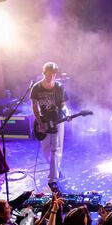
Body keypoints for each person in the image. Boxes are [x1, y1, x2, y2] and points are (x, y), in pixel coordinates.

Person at [30, 62, 70, 192]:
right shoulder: (36, 87)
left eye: (53, 75)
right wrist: (39, 122)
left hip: (57, 121)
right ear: (43, 74)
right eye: (48, 75)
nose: (50, 77)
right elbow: (34, 106)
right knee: (46, 150)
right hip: (43, 122)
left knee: (55, 149)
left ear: (55, 74)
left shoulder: (59, 87)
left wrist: (67, 113)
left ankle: (52, 179)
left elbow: (63, 105)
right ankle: (55, 168)